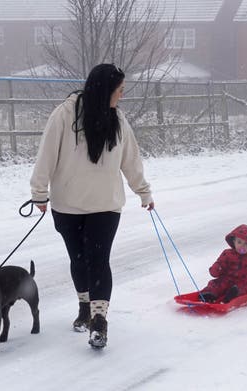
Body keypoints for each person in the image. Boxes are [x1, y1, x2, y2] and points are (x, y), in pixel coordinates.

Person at [30, 63, 154, 349]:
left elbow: (131, 160)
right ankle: (84, 307)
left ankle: (99, 322)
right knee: (79, 260)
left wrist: (143, 192)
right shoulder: (64, 115)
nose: (121, 96)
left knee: (98, 261)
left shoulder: (118, 120)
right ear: (104, 89)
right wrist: (39, 192)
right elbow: (46, 154)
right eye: (119, 90)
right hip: (68, 205)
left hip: (105, 206)